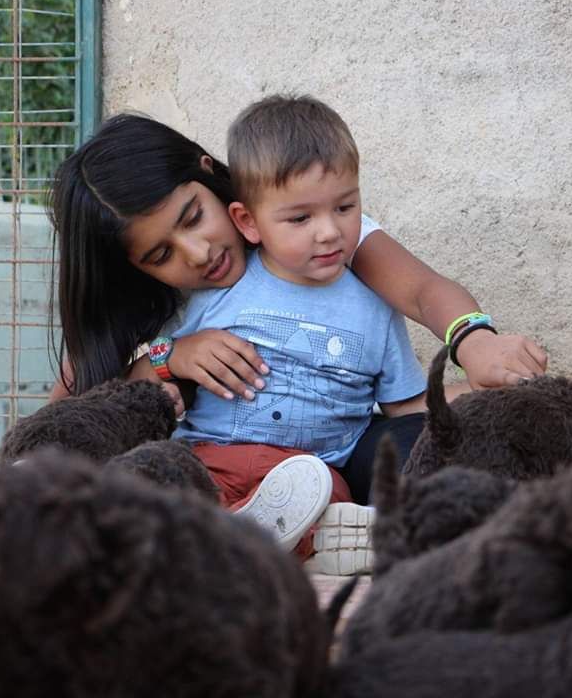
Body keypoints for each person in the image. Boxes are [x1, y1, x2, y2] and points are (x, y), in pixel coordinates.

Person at [47, 107, 546, 571]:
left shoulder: (323, 237)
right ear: (135, 269)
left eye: (194, 216)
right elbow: (83, 407)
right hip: (210, 459)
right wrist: (169, 356)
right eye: (161, 255)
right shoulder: (172, 300)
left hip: (319, 463)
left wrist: (473, 341)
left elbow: (419, 291)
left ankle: (286, 538)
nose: (197, 253)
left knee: (405, 453)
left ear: (209, 178)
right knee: (145, 472)